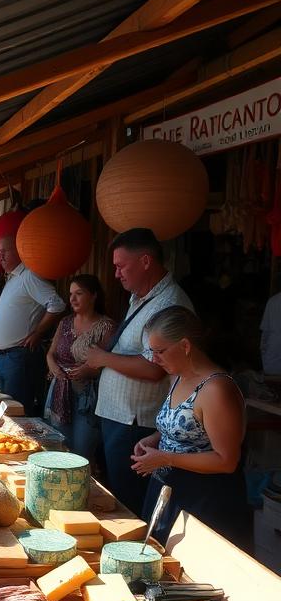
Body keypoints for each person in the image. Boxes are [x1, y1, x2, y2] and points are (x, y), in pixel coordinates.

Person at [86, 228, 194, 515]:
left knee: (128, 502)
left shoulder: (169, 302)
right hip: (117, 414)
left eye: (122, 266)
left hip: (135, 420)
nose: (117, 274)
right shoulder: (141, 296)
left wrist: (104, 358)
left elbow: (154, 367)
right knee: (117, 492)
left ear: (146, 261)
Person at [130, 305, 248, 542]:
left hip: (203, 499)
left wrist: (166, 458)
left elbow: (226, 461)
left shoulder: (216, 389)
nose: (154, 359)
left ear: (185, 346)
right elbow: (188, 428)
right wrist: (155, 438)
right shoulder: (178, 376)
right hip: (169, 489)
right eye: (151, 351)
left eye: (160, 351)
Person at [0, 235, 66, 416]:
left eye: (5, 251)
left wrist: (38, 332)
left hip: (20, 357)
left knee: (16, 412)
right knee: (6, 409)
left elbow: (57, 304)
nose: (1, 256)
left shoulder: (29, 276)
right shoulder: (13, 279)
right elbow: (8, 316)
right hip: (7, 358)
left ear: (19, 251)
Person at [45, 275, 116, 462]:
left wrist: (89, 370)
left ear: (93, 296)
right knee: (59, 447)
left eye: (79, 293)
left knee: (82, 452)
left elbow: (110, 364)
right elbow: (50, 353)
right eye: (70, 294)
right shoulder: (65, 322)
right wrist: (53, 368)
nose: (72, 299)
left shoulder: (106, 327)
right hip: (60, 391)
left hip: (88, 396)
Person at [261, 290, 281, 375]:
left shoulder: (273, 301)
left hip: (272, 365)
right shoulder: (273, 301)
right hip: (272, 365)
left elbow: (265, 336)